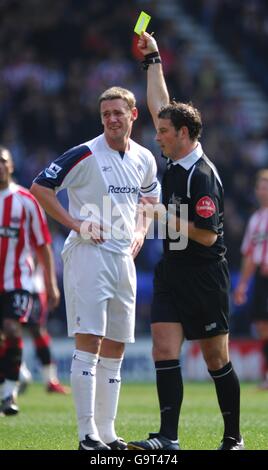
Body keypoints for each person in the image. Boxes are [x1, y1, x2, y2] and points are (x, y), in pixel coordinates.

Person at [127, 33, 244, 451]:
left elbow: (208, 233)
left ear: (182, 133)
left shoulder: (202, 174)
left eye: (162, 130)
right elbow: (162, 102)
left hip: (204, 272)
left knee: (216, 359)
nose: (154, 135)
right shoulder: (176, 156)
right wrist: (153, 59)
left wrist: (163, 216)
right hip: (172, 270)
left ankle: (233, 437)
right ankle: (167, 438)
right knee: (163, 348)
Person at [30, 86, 160, 450]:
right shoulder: (85, 152)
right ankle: (87, 435)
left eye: (118, 113)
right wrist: (74, 223)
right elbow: (40, 186)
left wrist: (139, 231)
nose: (112, 119)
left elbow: (150, 197)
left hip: (122, 257)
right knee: (90, 341)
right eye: (106, 114)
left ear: (134, 115)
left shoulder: (145, 157)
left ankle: (108, 433)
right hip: (88, 253)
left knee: (117, 345)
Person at [0, 146, 60, 416]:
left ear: (11, 165)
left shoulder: (25, 200)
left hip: (17, 282)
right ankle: (14, 375)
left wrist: (50, 282)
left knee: (13, 330)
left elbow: (43, 244)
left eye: (3, 161)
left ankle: (8, 394)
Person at [234, 169, 268, 390]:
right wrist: (243, 284)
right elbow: (249, 254)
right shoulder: (256, 219)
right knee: (262, 326)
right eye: (261, 185)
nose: (263, 189)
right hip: (261, 280)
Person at [19, 261, 70, 395]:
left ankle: (50, 380)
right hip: (10, 286)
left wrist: (50, 285)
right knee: (10, 331)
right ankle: (18, 372)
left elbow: (41, 253)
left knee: (38, 331)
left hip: (33, 287)